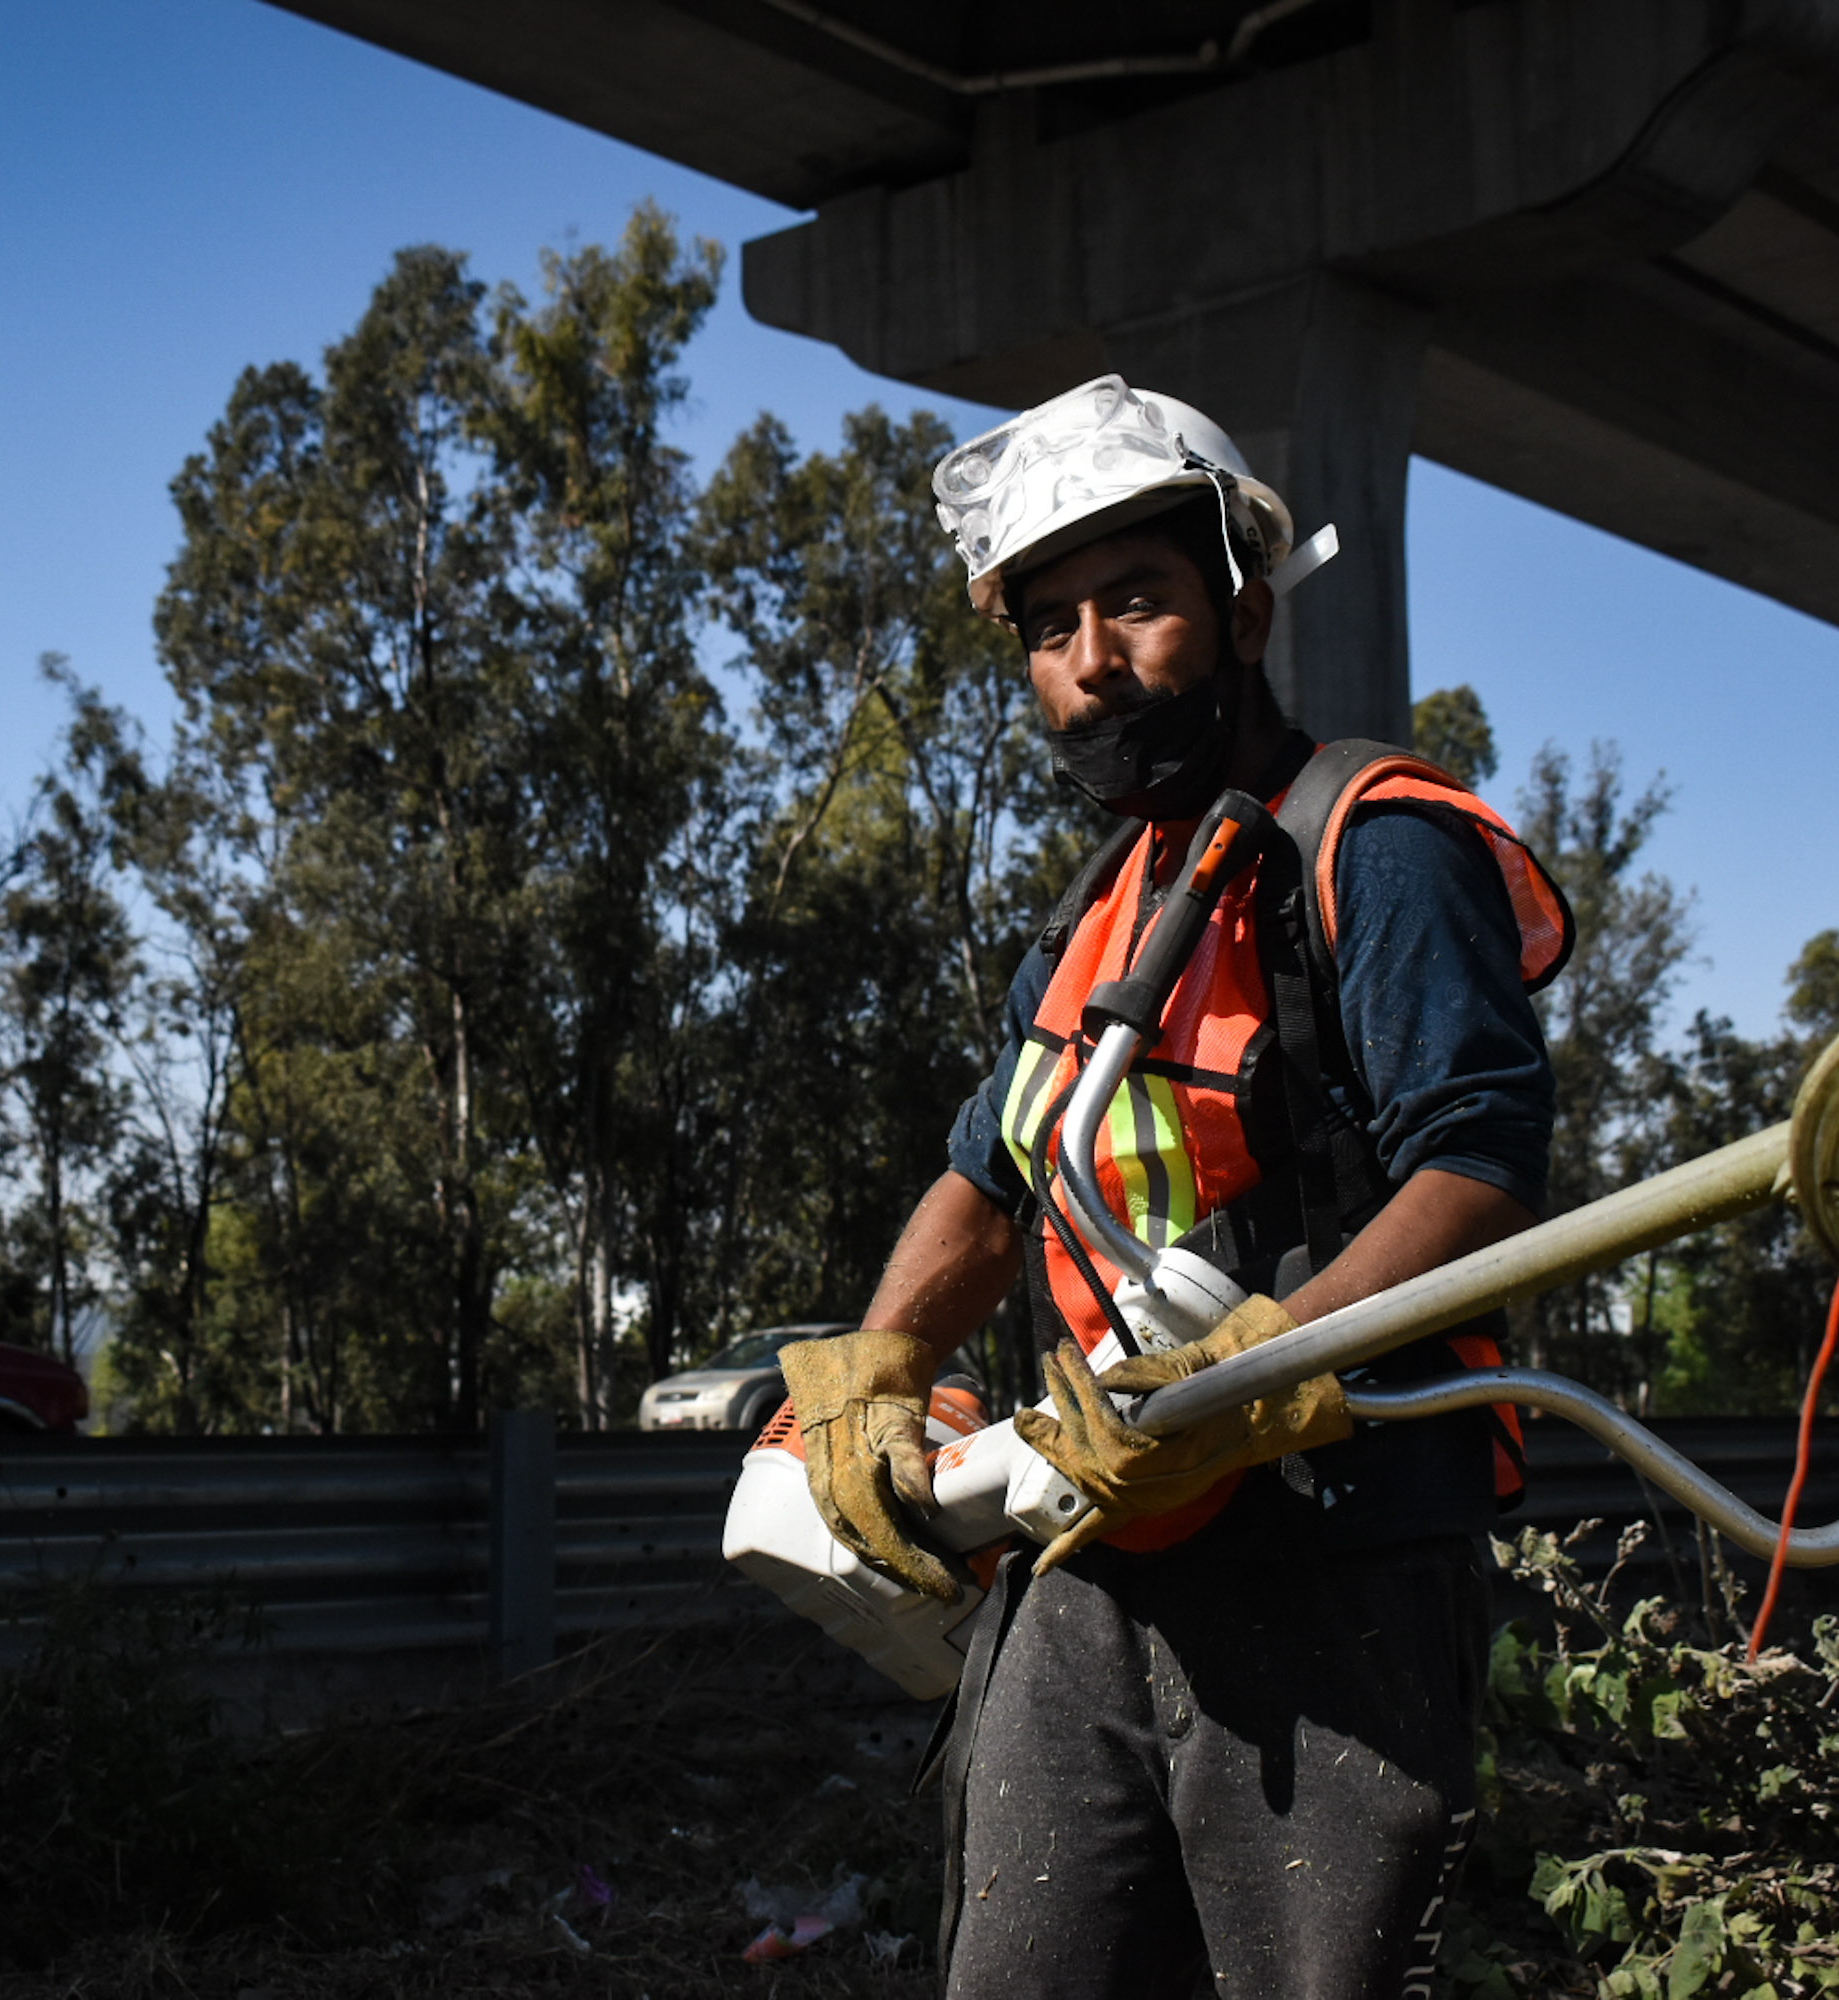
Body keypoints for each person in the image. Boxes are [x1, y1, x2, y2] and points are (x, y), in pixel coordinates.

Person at [776, 375, 1569, 1998]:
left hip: (1337, 1546)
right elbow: (986, 1179)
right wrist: (884, 1365)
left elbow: (1483, 1163)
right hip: (1096, 1550)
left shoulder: (1374, 841)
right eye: (1050, 624)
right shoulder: (1096, 914)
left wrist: (1262, 1367)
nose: (1093, 659)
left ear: (1244, 606)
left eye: (1135, 599)